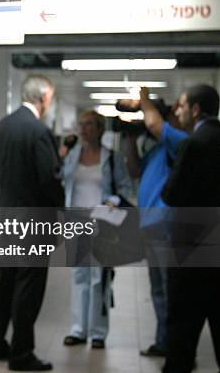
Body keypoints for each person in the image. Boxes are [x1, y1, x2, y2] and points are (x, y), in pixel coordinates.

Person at [0, 74, 64, 371]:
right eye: (51, 98)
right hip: (33, 218)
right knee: (28, 286)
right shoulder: (38, 132)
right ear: (43, 98)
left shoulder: (2, 127)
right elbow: (49, 180)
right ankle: (21, 354)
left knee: (4, 281)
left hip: (5, 213)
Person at [123, 88, 188, 358]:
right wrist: (128, 138)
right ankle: (164, 342)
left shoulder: (181, 141)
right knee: (159, 289)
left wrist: (144, 99)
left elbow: (152, 122)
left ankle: (179, 348)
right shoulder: (156, 147)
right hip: (151, 225)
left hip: (167, 226)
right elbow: (134, 170)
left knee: (171, 291)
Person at [161, 84, 220, 373]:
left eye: (182, 106)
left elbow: (170, 194)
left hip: (190, 246)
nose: (178, 111)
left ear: (196, 109)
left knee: (183, 326)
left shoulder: (192, 143)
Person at [61, 109, 132, 350]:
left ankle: (98, 332)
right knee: (79, 275)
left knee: (99, 278)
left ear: (100, 128)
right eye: (81, 124)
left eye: (89, 124)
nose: (84, 129)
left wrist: (112, 200)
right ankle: (78, 329)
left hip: (102, 224)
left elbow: (123, 187)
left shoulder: (111, 157)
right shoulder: (71, 156)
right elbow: (59, 178)